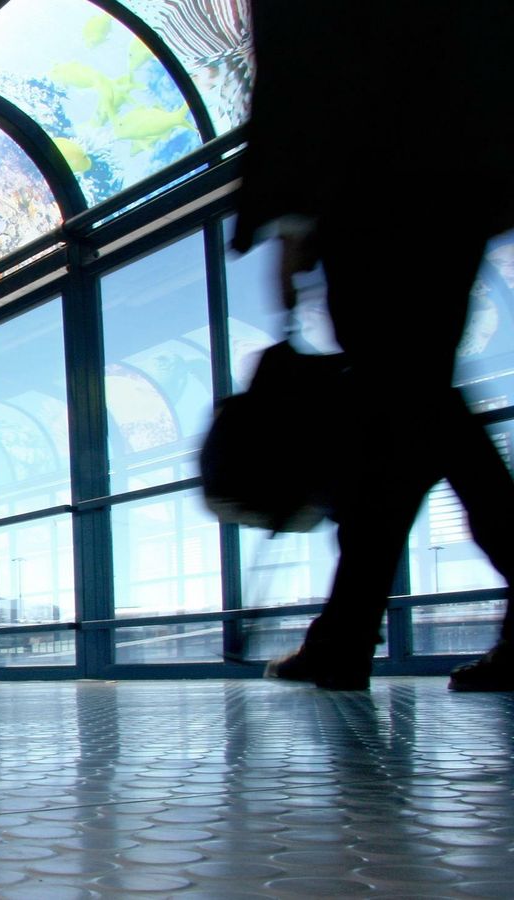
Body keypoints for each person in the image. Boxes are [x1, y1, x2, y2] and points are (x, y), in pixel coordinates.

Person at [235, 0, 514, 691]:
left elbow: (310, 52)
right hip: (456, 163)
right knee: (411, 412)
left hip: (375, 182)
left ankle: (344, 635)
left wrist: (294, 209)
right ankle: (345, 634)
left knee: (413, 406)